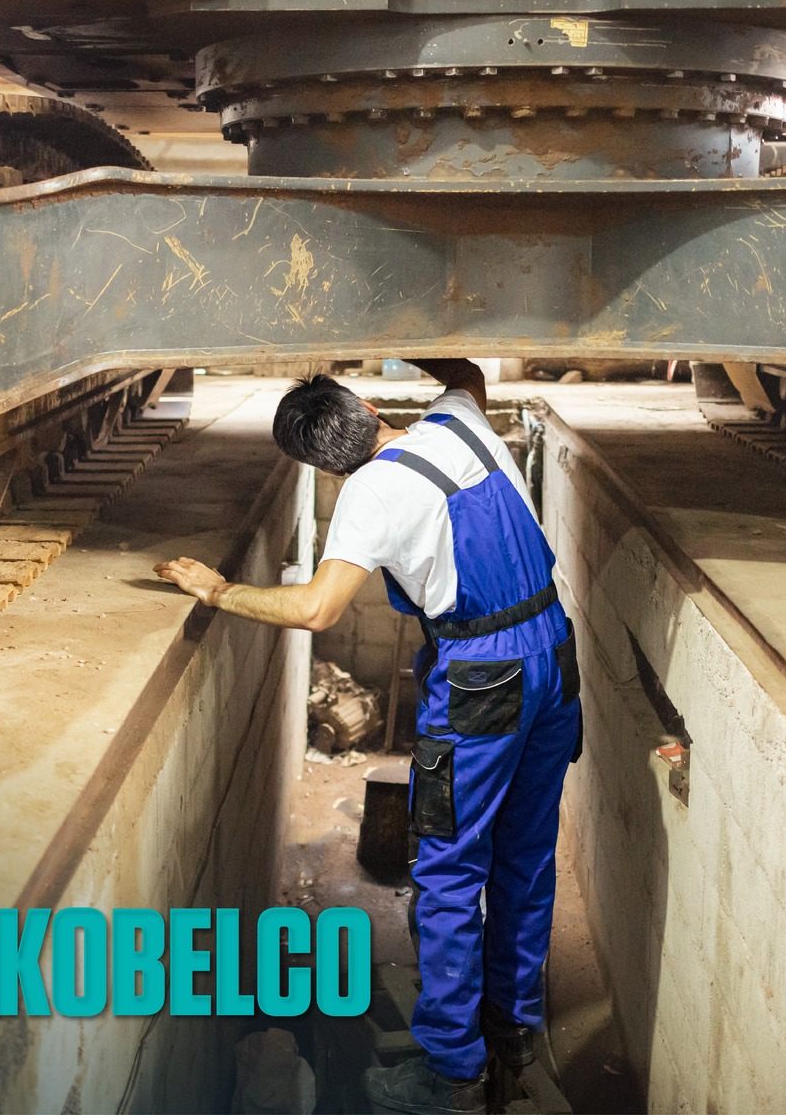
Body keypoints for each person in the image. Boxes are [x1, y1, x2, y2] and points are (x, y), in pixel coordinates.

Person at [155, 361, 582, 1115]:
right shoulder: (458, 421)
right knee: (524, 852)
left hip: (483, 680)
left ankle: (452, 1074)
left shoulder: (368, 493)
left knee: (449, 874)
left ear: (322, 467)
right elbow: (467, 371)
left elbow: (318, 609)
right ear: (370, 405)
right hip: (553, 652)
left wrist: (218, 590)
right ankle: (512, 1031)